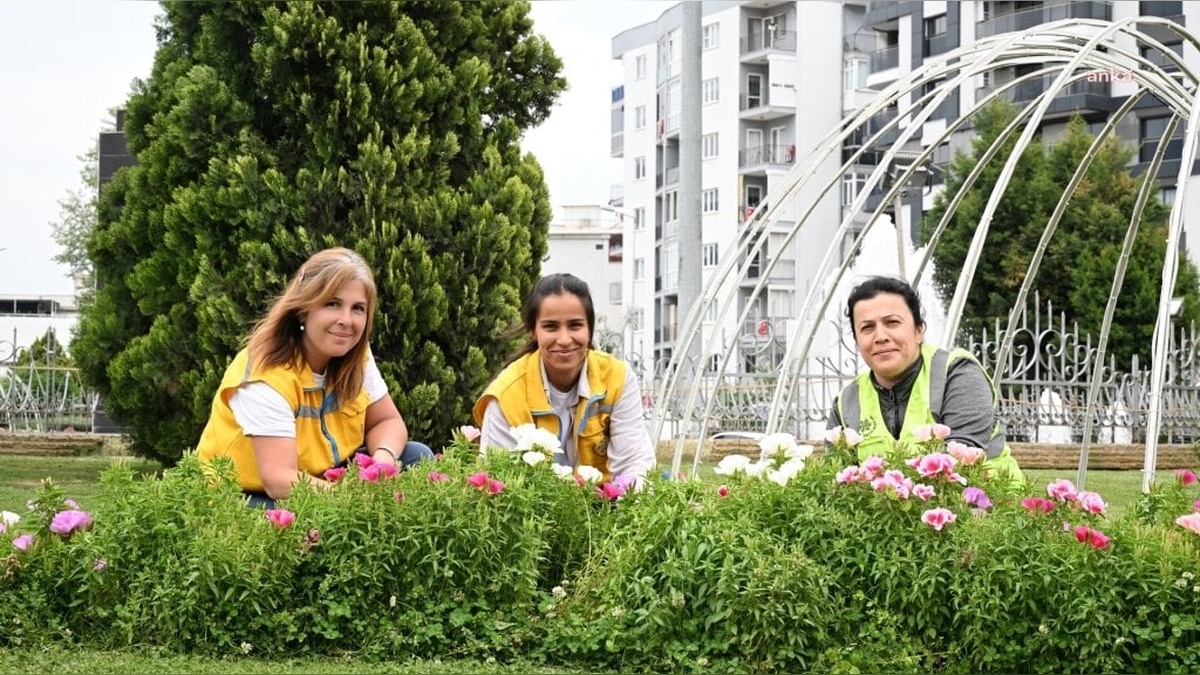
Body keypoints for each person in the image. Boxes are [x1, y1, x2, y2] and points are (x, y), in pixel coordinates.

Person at [197, 247, 433, 507]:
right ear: (303, 310)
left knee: (416, 456)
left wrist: (382, 464)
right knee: (299, 523)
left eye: (358, 308)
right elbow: (278, 479)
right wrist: (356, 500)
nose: (346, 320)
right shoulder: (267, 375)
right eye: (332, 304)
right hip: (250, 493)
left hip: (325, 474)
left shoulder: (357, 356)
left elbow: (388, 422)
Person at [826, 276, 1022, 483]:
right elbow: (835, 478)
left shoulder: (957, 372)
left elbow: (962, 458)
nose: (880, 336)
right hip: (894, 512)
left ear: (919, 331)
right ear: (857, 342)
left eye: (892, 323)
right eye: (867, 328)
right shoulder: (846, 403)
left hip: (989, 507)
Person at [473, 273, 656, 483]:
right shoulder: (506, 395)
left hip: (606, 505)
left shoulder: (617, 378)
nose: (564, 339)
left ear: (589, 329)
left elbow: (634, 464)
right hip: (534, 512)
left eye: (575, 325)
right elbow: (498, 482)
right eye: (551, 326)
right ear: (533, 331)